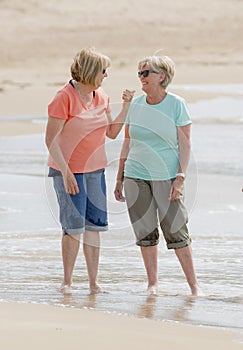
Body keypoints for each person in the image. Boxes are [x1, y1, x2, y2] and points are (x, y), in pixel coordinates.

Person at [45, 47, 134, 295]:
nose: (106, 75)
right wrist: (65, 172)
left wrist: (125, 107)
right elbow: (51, 139)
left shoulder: (101, 95)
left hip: (96, 171)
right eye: (103, 71)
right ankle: (68, 282)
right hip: (68, 171)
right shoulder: (64, 97)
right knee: (73, 227)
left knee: (94, 227)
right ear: (90, 71)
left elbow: (112, 133)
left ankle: (94, 284)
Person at [114, 54, 202, 296]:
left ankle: (194, 287)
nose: (141, 78)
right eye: (139, 73)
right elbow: (127, 141)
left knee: (176, 230)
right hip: (135, 174)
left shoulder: (176, 104)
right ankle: (152, 284)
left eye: (146, 73)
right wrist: (120, 176)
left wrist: (180, 176)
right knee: (145, 231)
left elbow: (185, 145)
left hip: (166, 176)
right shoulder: (136, 105)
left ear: (161, 76)